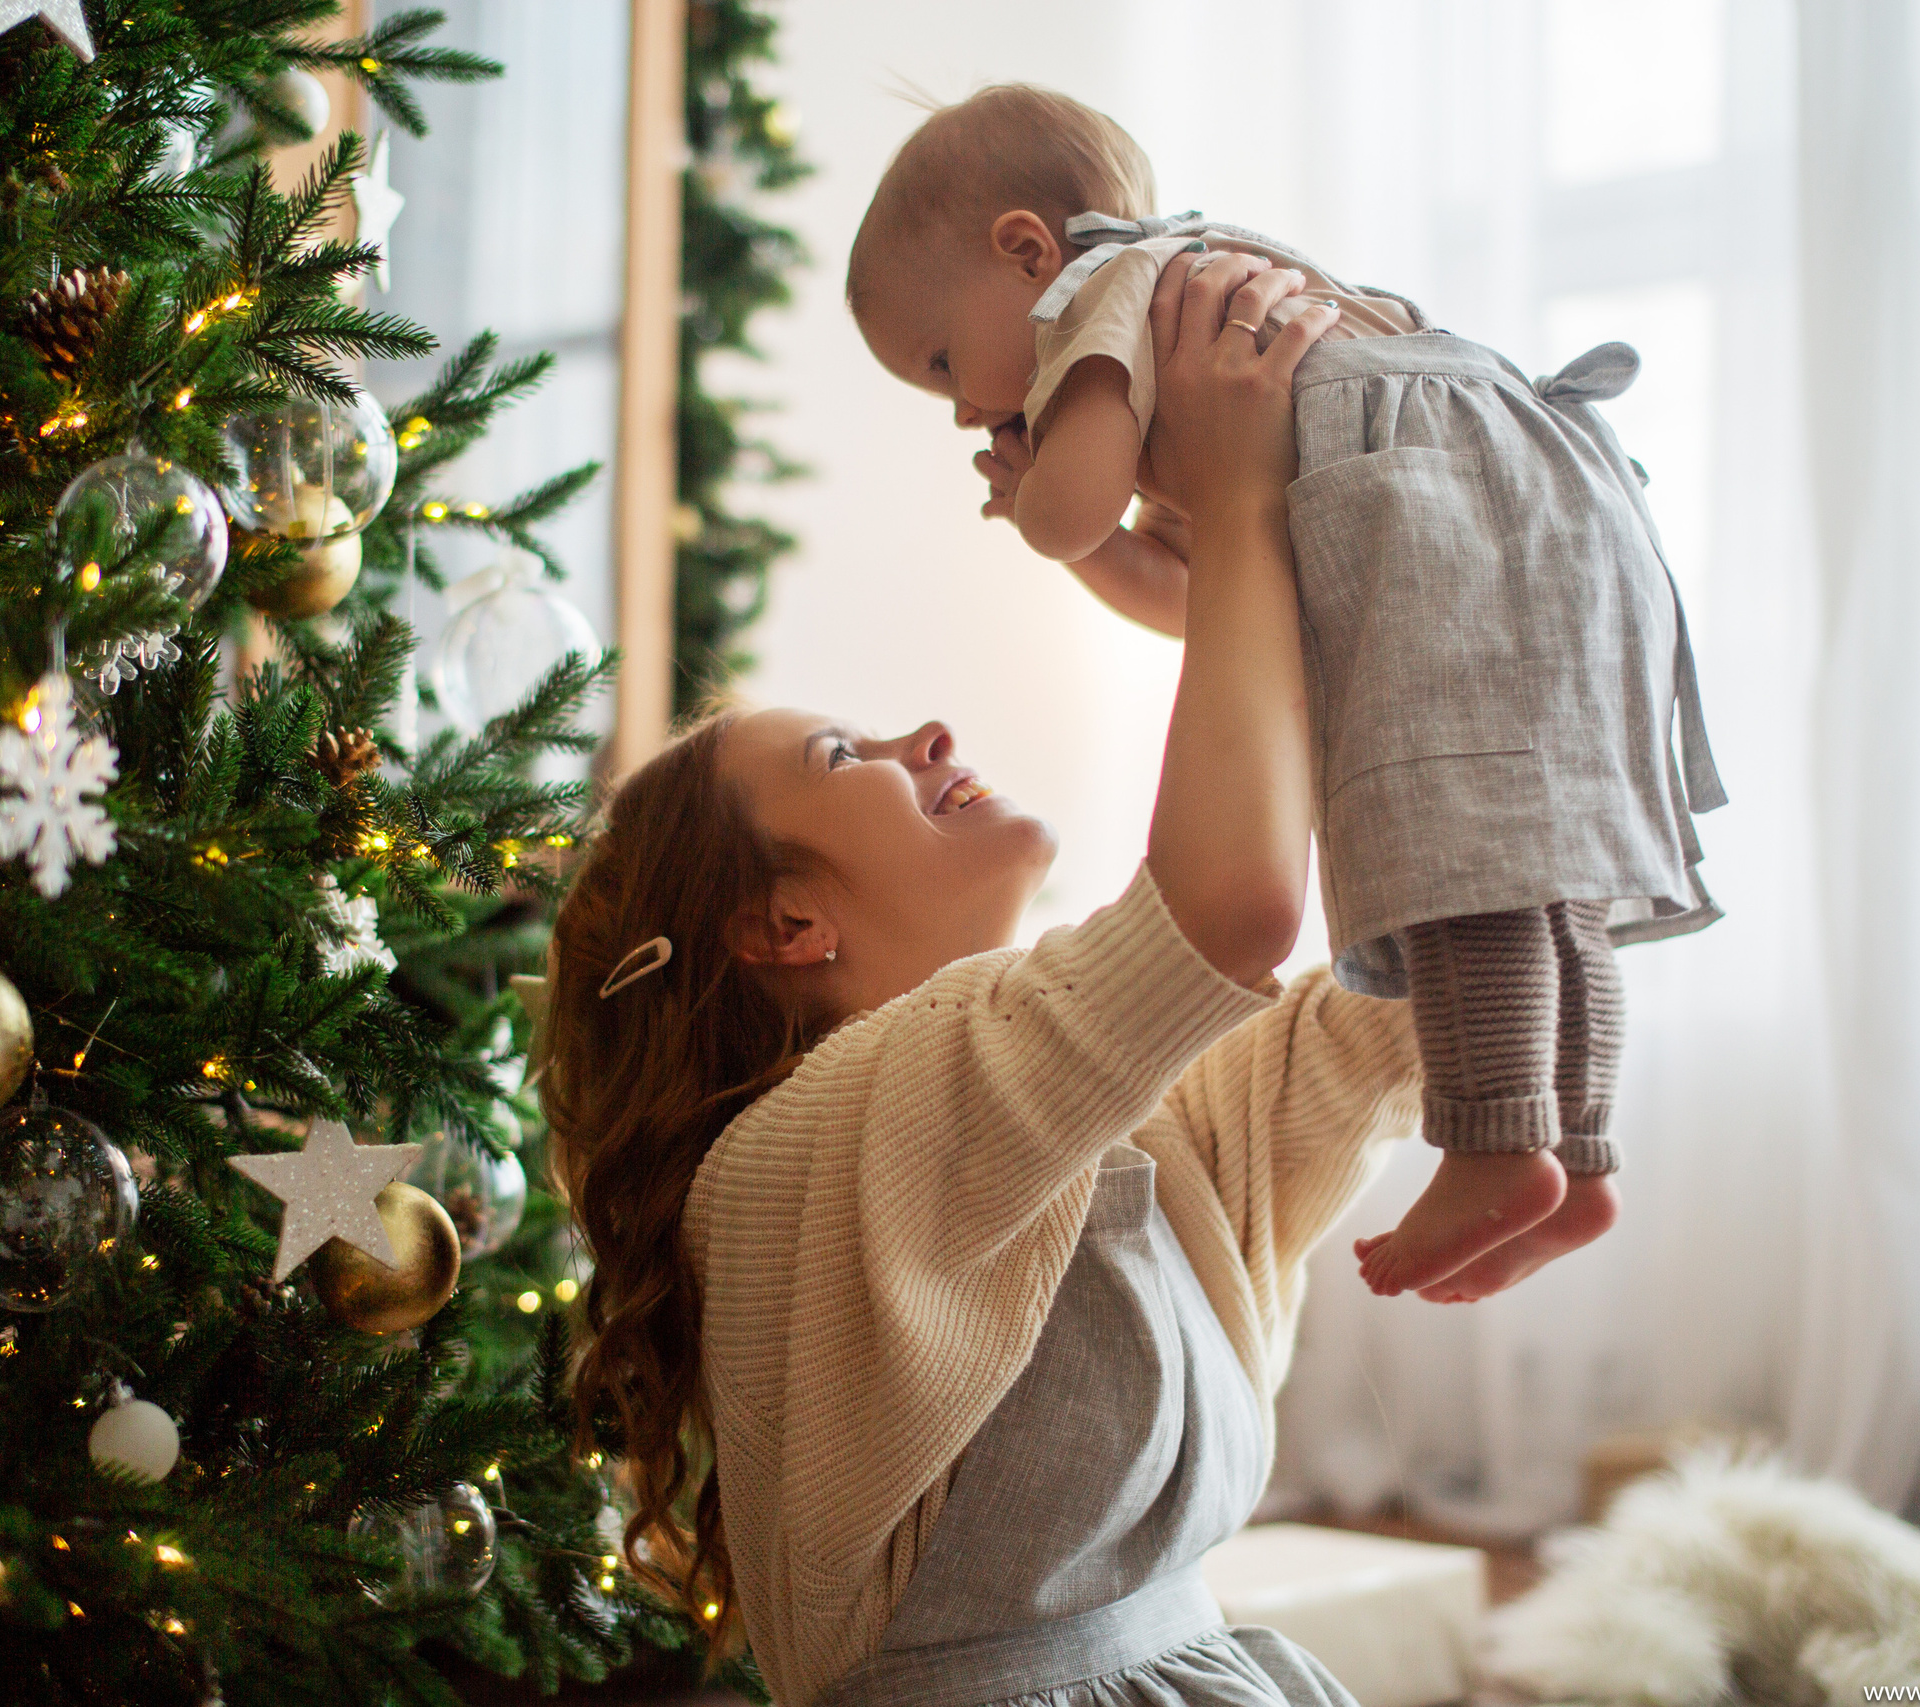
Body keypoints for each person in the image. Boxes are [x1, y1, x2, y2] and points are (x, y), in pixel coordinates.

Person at [541, 254, 1422, 1707]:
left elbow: (1399, 1006)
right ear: (781, 925)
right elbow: (1231, 908)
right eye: (847, 756)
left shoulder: (1093, 1108)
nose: (928, 735)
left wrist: (1333, 566)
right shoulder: (809, 1151)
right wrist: (1245, 516)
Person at [844, 83, 1727, 1306]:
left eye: (942, 358)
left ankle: (1489, 1144)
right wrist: (1086, 530)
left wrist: (1030, 490)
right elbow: (1197, 596)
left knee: (1452, 845)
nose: (959, 407)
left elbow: (1071, 511)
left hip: (1445, 516)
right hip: (1557, 509)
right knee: (1537, 863)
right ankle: (1576, 1160)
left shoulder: (1110, 294)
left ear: (1025, 250)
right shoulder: (1219, 335)